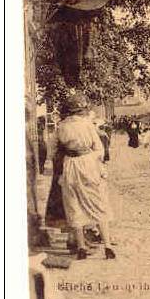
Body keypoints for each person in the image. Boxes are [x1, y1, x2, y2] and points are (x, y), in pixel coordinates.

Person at [55, 93, 116, 260]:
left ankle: (81, 247)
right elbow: (99, 149)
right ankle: (108, 246)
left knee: (73, 204)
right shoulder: (87, 125)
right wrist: (95, 161)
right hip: (87, 164)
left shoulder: (61, 126)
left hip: (70, 165)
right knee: (97, 202)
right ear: (82, 110)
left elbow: (53, 151)